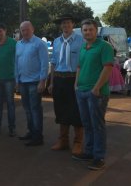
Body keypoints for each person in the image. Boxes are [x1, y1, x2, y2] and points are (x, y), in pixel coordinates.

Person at [72, 18, 113, 171]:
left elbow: (107, 68)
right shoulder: (84, 47)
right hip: (81, 91)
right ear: (82, 32)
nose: (88, 32)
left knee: (97, 125)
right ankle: (88, 152)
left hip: (96, 93)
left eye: (90, 29)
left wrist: (96, 88)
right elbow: (79, 67)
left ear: (96, 31)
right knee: (87, 124)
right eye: (85, 30)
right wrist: (76, 83)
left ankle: (99, 157)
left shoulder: (104, 47)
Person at [47, 14, 84, 155]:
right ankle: (63, 141)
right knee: (61, 110)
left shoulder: (81, 41)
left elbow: (83, 62)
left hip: (74, 79)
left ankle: (78, 143)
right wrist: (51, 82)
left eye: (68, 23)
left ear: (73, 24)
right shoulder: (56, 41)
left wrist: (79, 81)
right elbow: (54, 63)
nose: (65, 26)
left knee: (76, 111)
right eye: (63, 23)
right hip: (59, 79)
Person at [15, 21, 49, 146]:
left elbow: (44, 64)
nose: (24, 32)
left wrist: (42, 81)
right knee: (27, 109)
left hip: (35, 82)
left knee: (35, 110)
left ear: (33, 29)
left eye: (27, 29)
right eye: (22, 30)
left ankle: (38, 136)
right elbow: (16, 64)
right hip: (23, 82)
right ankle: (31, 132)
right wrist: (17, 80)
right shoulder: (18, 44)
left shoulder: (40, 43)